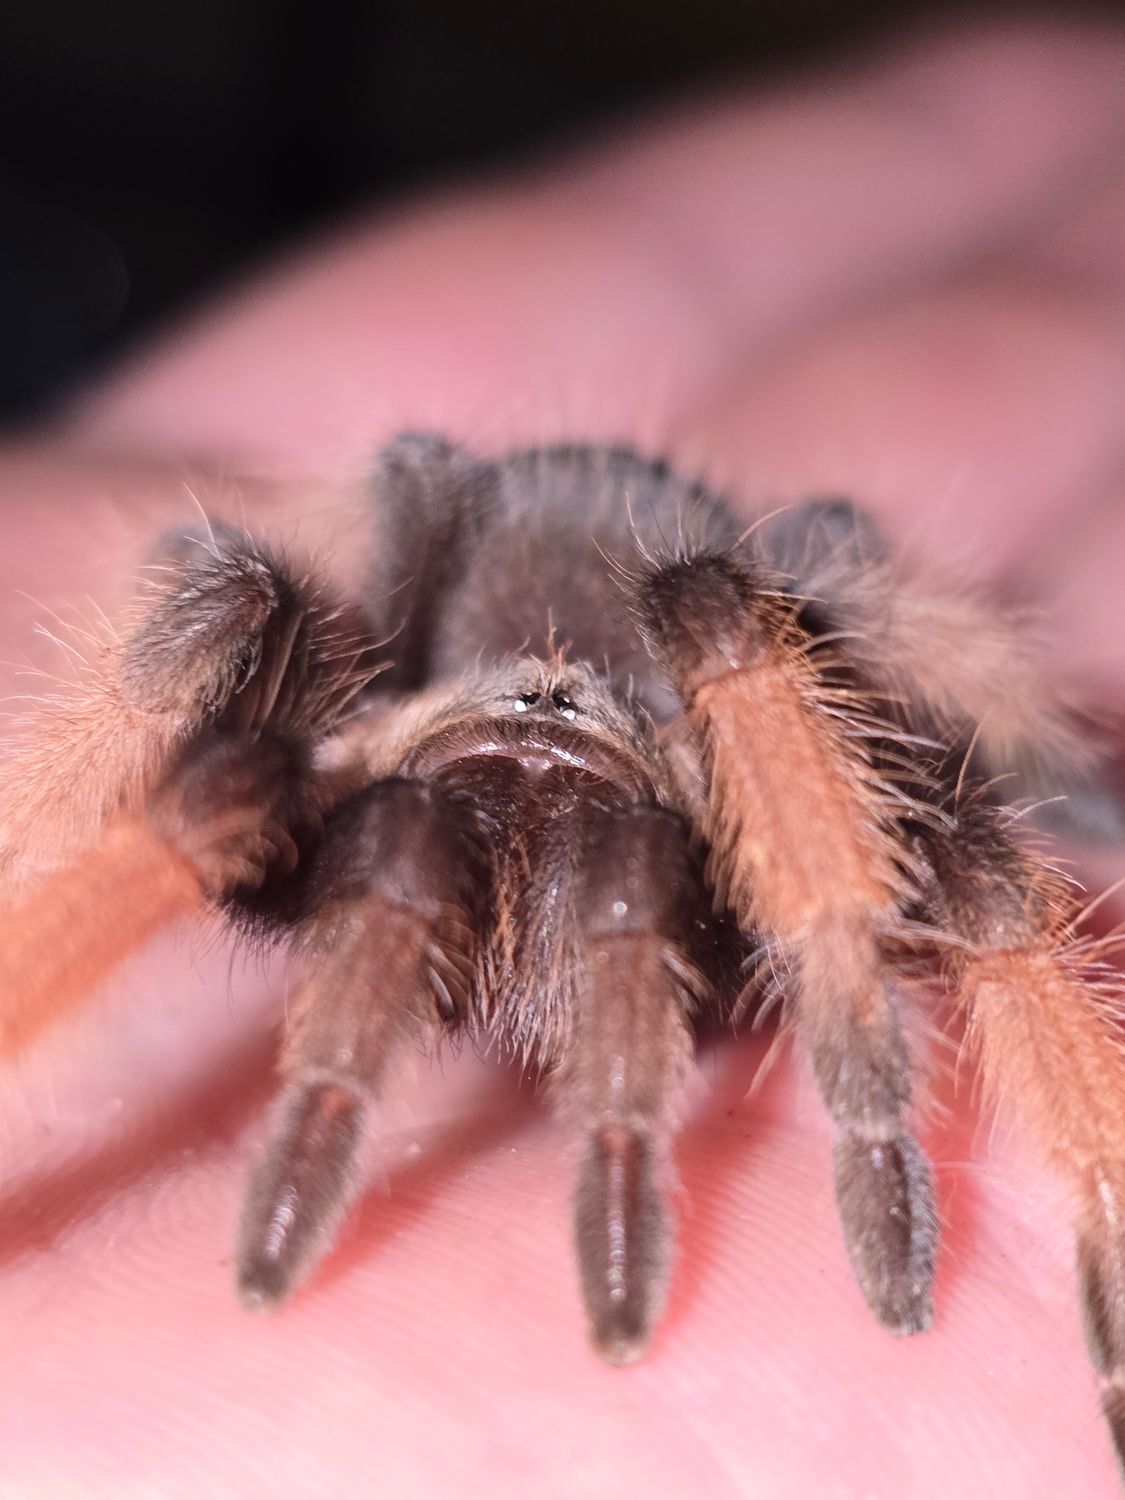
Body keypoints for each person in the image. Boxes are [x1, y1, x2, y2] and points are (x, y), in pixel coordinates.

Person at [1, 19, 1124, 1496]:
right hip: (427, 678)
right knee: (219, 589)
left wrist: (855, 1005)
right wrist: (41, 850)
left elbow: (883, 728)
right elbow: (229, 608)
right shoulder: (340, 745)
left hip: (695, 664)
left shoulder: (733, 648)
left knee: (962, 848)